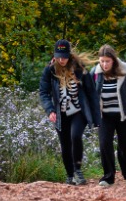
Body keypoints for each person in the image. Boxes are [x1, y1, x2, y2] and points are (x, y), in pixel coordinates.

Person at [39, 39, 100, 185]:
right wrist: (50, 110)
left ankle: (78, 170)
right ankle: (69, 175)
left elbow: (92, 93)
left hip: (78, 110)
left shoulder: (80, 69)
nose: (61, 60)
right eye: (59, 56)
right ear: (55, 55)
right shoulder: (49, 70)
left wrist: (97, 118)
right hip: (61, 113)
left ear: (69, 55)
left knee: (75, 136)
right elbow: (44, 92)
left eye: (64, 56)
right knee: (65, 144)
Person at [93, 44, 126, 188]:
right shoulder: (95, 73)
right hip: (105, 116)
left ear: (114, 60)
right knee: (105, 144)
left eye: (107, 61)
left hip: (125, 115)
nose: (104, 64)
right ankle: (108, 177)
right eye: (102, 61)